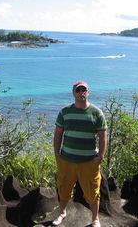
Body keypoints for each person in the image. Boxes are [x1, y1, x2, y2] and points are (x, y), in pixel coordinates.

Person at [53, 81, 108, 227]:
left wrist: (100, 156)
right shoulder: (65, 112)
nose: (81, 93)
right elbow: (58, 134)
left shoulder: (96, 113)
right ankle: (62, 213)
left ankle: (95, 219)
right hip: (66, 160)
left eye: (84, 90)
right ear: (73, 93)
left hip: (89, 161)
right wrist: (57, 155)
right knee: (64, 187)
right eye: (78, 90)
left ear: (88, 92)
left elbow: (103, 136)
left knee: (92, 190)